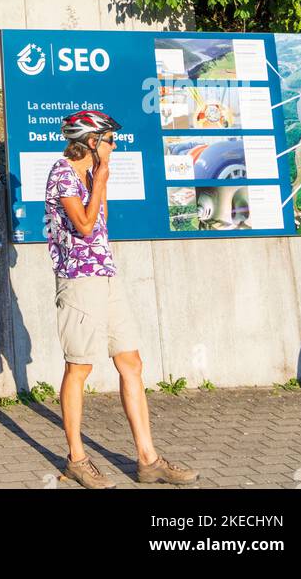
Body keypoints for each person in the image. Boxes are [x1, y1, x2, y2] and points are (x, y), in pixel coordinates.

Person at [45, 109, 199, 489]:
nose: (115, 146)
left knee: (131, 361)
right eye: (110, 140)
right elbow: (82, 225)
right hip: (79, 281)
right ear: (91, 142)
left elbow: (101, 225)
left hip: (106, 276)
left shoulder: (94, 174)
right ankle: (77, 459)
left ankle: (148, 460)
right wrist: (100, 177)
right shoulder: (62, 172)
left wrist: (101, 179)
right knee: (79, 367)